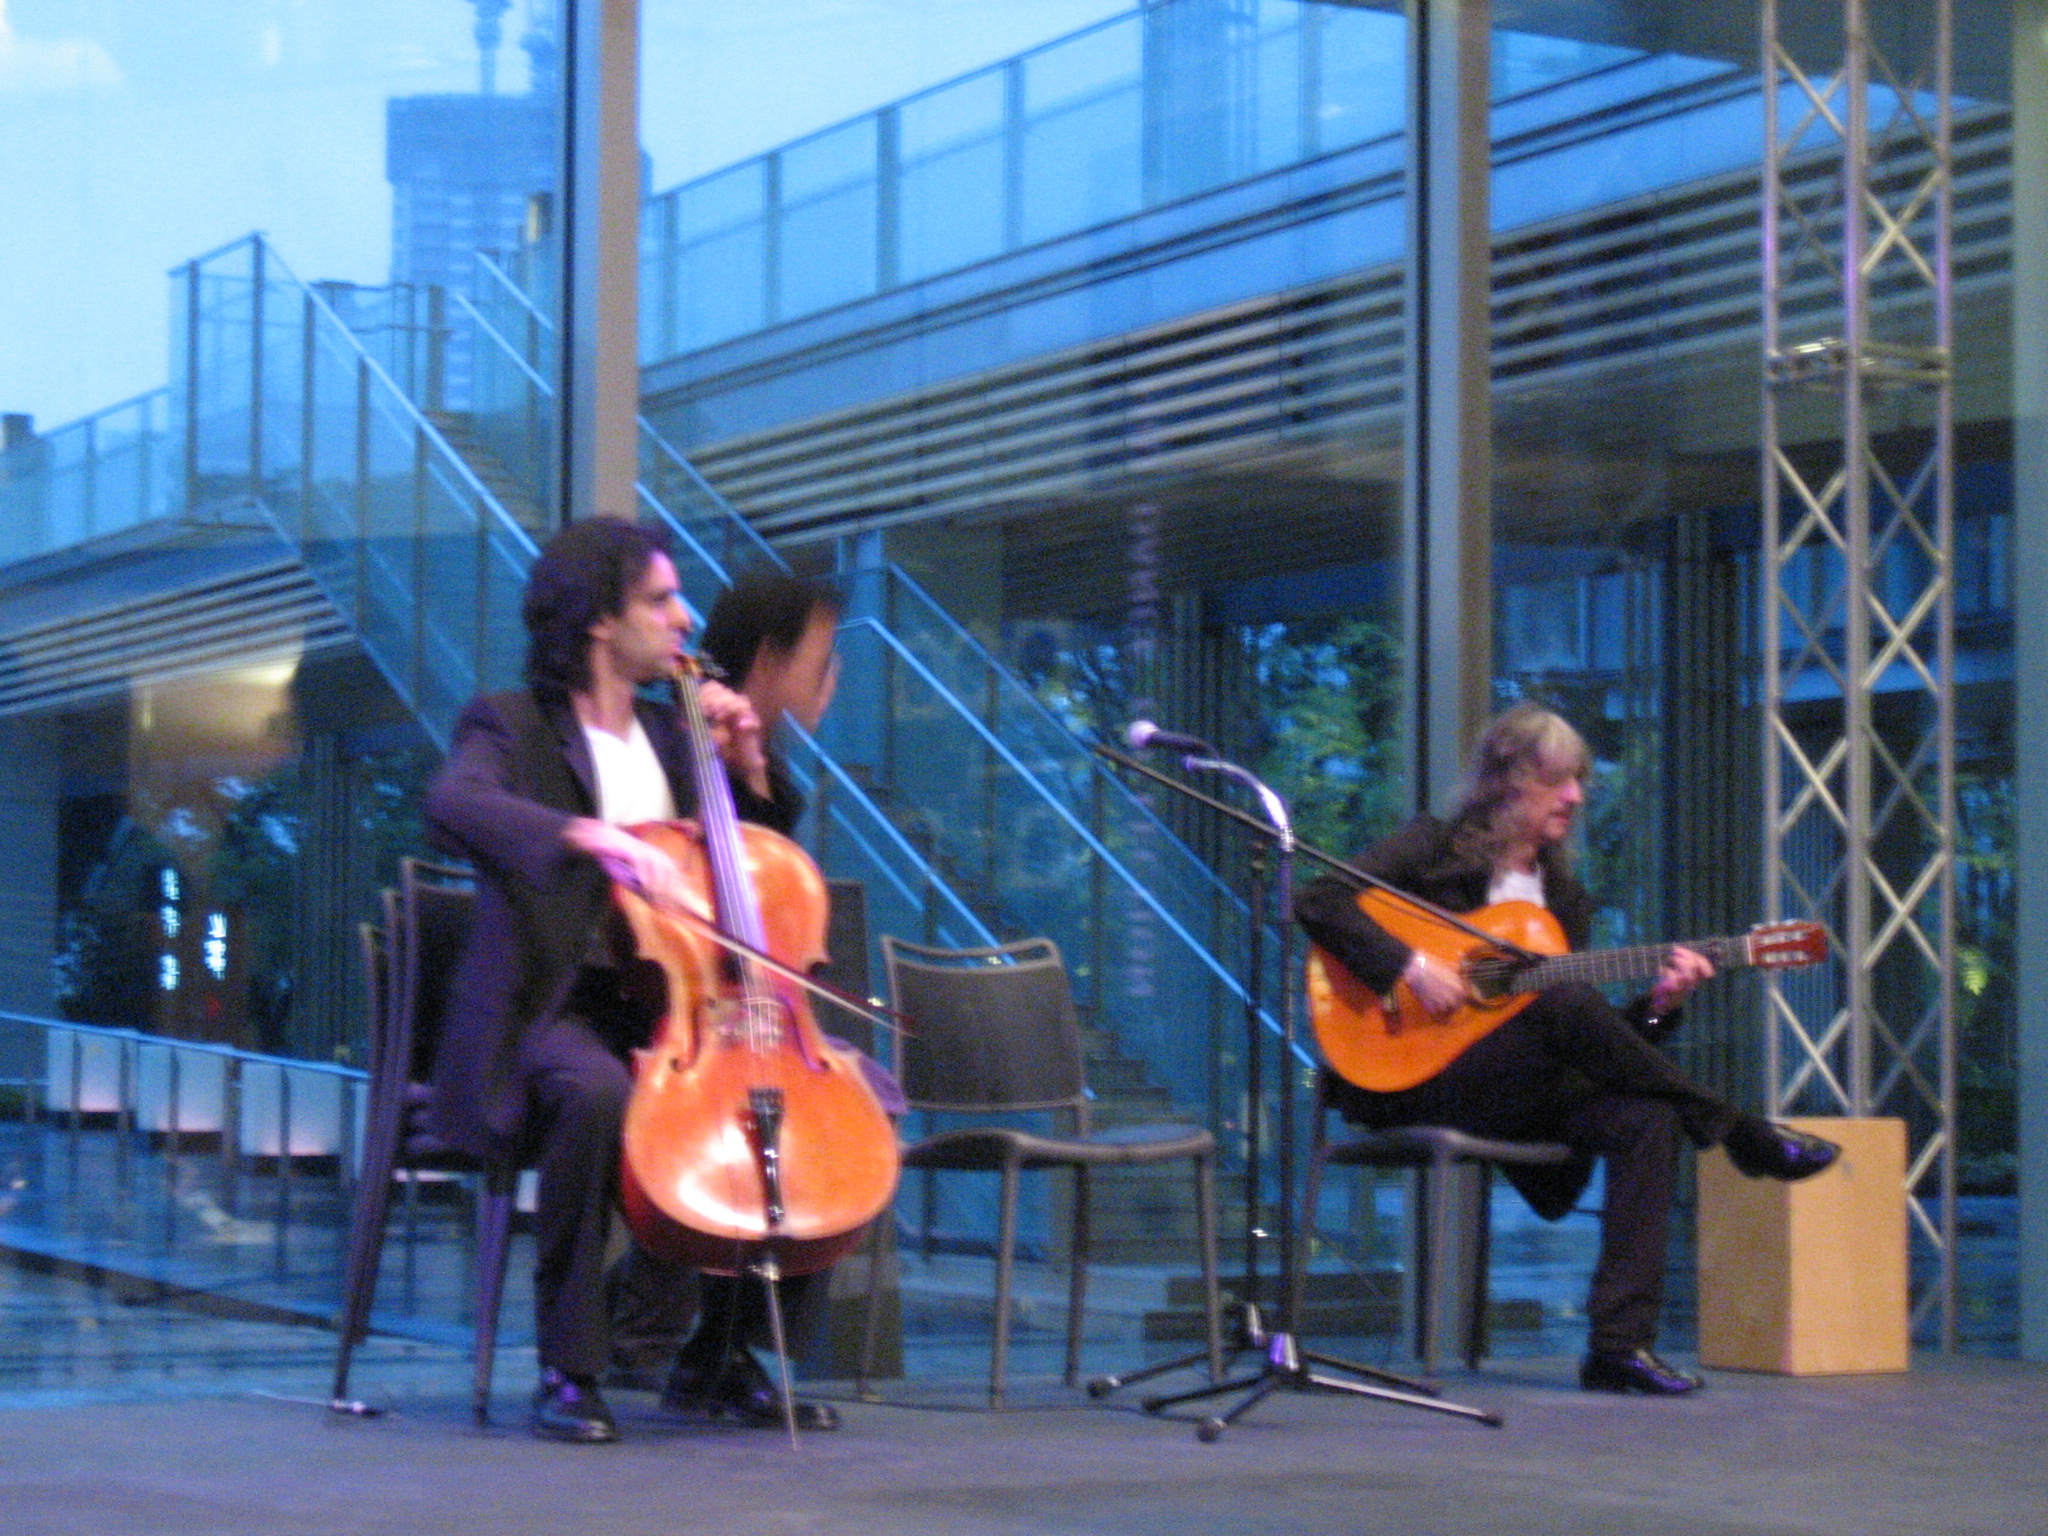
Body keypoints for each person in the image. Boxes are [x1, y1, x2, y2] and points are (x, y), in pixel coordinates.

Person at [423, 520, 841, 1442]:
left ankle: (718, 1359)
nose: (684, 616)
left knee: (837, 1108)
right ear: (601, 623)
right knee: (595, 1096)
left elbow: (759, 866)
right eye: (661, 599)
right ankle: (570, 1370)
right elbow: (454, 802)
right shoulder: (512, 725)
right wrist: (588, 835)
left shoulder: (676, 730)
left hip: (680, 1012)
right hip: (554, 1006)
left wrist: (748, 765)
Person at [1293, 703, 1840, 1396]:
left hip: (1516, 1089)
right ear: (1506, 780)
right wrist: (1407, 968)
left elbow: (1582, 1043)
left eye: (1580, 781)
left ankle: (1618, 1348)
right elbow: (1317, 899)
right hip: (1409, 1073)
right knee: (1560, 997)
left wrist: (1657, 1007)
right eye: (1558, 781)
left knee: (1647, 1118)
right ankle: (1737, 1129)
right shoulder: (1431, 848)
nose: (1577, 797)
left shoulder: (1564, 900)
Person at [601, 566, 850, 1392]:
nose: (834, 672)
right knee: (711, 1111)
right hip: (644, 999)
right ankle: (643, 1321)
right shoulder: (665, 740)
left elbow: (762, 897)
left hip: (737, 1014)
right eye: (824, 651)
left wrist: (747, 776)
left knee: (855, 1107)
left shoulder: (771, 774)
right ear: (773, 656)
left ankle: (727, 1347)